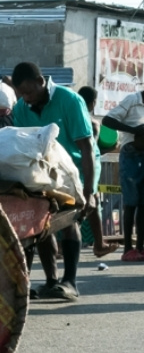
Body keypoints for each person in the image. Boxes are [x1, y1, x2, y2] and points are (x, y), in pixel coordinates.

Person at [12, 62, 117, 301]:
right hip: (45, 170)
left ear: (41, 81)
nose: (26, 99)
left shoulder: (69, 100)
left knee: (68, 218)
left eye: (29, 92)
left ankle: (70, 282)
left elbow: (87, 147)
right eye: (22, 94)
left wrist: (89, 191)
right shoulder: (21, 108)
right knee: (41, 222)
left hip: (77, 168)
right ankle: (51, 281)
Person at [101, 83, 144, 262]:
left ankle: (140, 247)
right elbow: (107, 120)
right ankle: (128, 248)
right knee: (131, 202)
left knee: (143, 203)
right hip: (131, 152)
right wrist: (134, 130)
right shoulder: (133, 100)